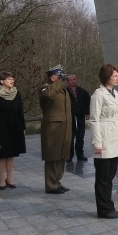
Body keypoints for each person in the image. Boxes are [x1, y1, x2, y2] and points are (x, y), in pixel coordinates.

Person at [90, 64, 118, 219]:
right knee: (103, 177)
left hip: (116, 137)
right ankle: (104, 209)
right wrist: (97, 143)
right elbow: (94, 120)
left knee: (110, 175)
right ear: (107, 77)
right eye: (115, 75)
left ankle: (108, 205)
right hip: (104, 137)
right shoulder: (98, 95)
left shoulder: (115, 93)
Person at [0, 71, 26, 190]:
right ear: (1, 81)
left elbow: (20, 112)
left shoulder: (17, 94)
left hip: (15, 128)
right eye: (9, 79)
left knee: (11, 155)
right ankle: (1, 180)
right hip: (0, 129)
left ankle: (10, 178)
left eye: (13, 79)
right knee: (1, 155)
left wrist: (23, 127)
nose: (12, 81)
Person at [39, 65, 72, 194]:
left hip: (64, 127)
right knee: (52, 157)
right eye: (60, 77)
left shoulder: (62, 90)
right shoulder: (44, 88)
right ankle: (50, 185)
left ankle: (57, 182)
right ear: (53, 77)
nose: (63, 80)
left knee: (61, 156)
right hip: (52, 129)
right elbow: (49, 95)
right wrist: (60, 83)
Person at [66, 74, 91, 162]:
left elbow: (88, 102)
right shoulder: (65, 92)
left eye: (74, 79)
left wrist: (87, 113)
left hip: (80, 117)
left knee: (80, 137)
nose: (73, 81)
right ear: (68, 81)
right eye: (71, 80)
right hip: (70, 118)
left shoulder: (82, 91)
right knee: (70, 137)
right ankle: (69, 155)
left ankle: (80, 154)